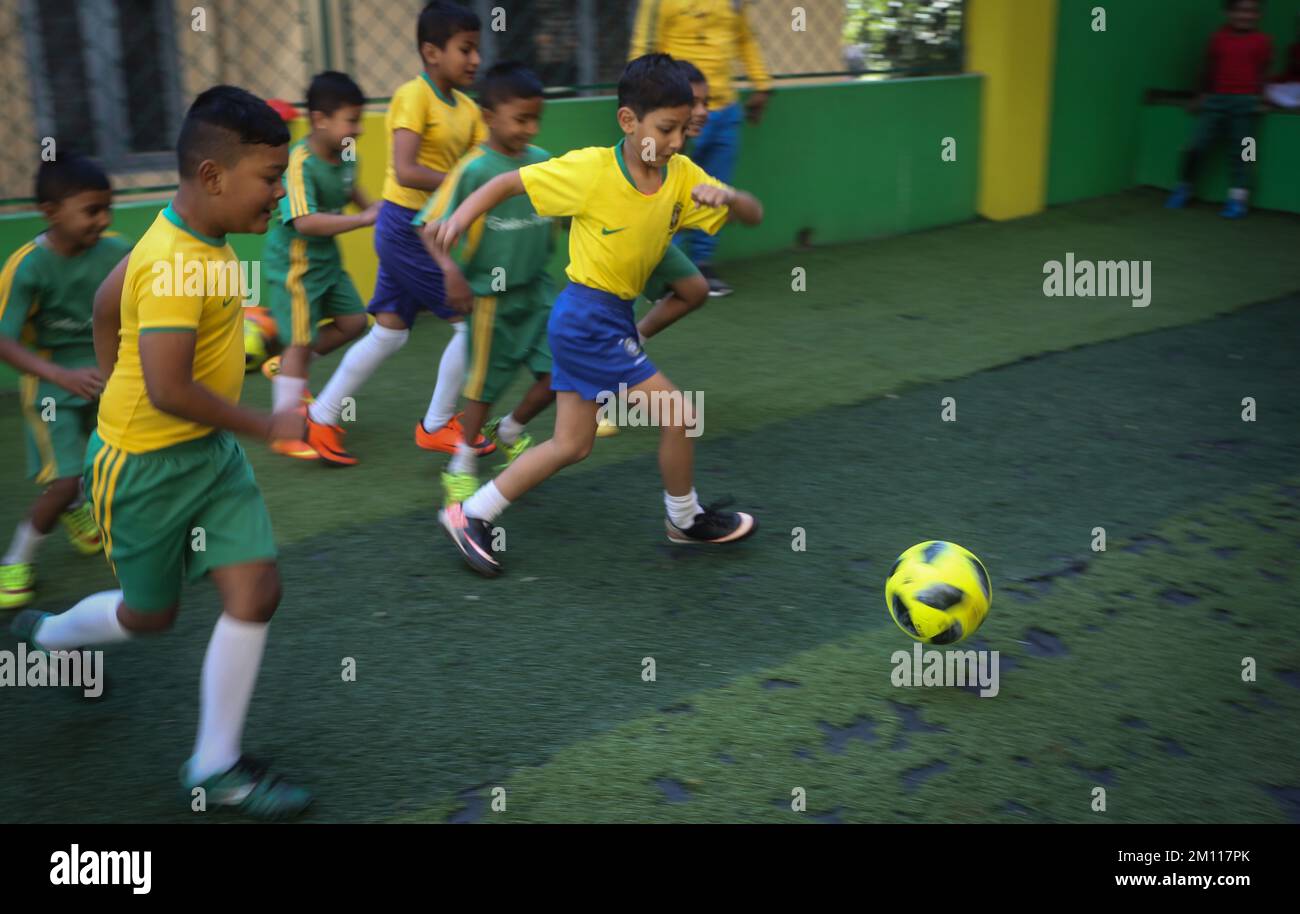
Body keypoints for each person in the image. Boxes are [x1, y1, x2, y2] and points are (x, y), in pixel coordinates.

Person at [10, 86, 313, 819]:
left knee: (257, 589)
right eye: (270, 178)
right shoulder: (177, 259)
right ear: (213, 177)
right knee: (152, 618)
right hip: (143, 472)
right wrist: (262, 424)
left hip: (207, 461)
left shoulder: (174, 238)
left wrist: (115, 370)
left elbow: (106, 301)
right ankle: (44, 637)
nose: (280, 193)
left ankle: (215, 766)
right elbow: (171, 390)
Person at [429, 54, 763, 577]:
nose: (677, 141)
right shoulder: (590, 170)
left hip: (602, 319)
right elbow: (507, 184)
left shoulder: (680, 175)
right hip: (587, 318)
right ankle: (685, 518)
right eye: (666, 128)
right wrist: (458, 218)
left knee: (571, 445)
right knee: (678, 414)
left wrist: (730, 196)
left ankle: (471, 513)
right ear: (629, 121)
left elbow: (752, 215)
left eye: (683, 127)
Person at [0, 155, 131, 608]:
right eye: (91, 210)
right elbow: (4, 340)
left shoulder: (119, 251)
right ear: (50, 211)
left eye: (107, 208)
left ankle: (81, 509)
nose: (103, 220)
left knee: (114, 464)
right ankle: (15, 562)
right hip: (53, 385)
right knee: (62, 480)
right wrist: (61, 375)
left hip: (107, 376)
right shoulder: (27, 267)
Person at [630, 0, 773, 295]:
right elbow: (644, 43)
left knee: (715, 189)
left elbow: (744, 38)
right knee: (666, 187)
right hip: (676, 109)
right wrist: (641, 101)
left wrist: (762, 85)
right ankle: (665, 265)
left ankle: (701, 263)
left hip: (724, 108)